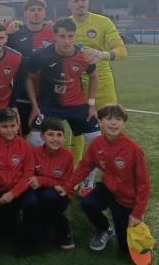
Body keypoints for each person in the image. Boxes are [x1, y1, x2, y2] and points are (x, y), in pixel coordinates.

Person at [61, 104, 150, 256]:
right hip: (108, 188)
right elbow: (84, 167)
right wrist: (67, 187)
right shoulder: (97, 144)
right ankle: (105, 228)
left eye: (118, 119)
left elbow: (143, 183)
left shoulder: (133, 149)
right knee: (87, 203)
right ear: (100, 122)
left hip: (127, 198)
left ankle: (136, 217)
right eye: (108, 119)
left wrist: (136, 212)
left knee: (125, 249)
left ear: (124, 123)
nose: (113, 123)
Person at [26, 18, 102, 195]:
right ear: (54, 36)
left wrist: (91, 105)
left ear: (74, 36)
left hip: (77, 105)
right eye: (62, 36)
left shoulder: (84, 55)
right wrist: (35, 106)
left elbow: (94, 76)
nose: (66, 41)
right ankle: (40, 176)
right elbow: (29, 78)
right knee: (36, 140)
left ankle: (88, 180)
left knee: (97, 141)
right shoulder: (40, 55)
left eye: (70, 36)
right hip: (49, 105)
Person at [67, 0, 128, 167]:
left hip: (102, 84)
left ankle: (114, 167)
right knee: (77, 131)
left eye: (83, 0)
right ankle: (75, 169)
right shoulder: (66, 24)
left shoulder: (103, 22)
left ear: (88, 2)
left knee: (111, 126)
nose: (80, 4)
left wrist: (102, 55)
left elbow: (122, 51)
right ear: (69, 5)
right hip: (76, 86)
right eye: (76, 1)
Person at [0, 108, 38, 237]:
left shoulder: (25, 146)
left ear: (18, 126)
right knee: (5, 231)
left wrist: (13, 193)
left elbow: (28, 175)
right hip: (0, 192)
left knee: (33, 203)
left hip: (20, 190)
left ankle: (28, 230)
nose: (9, 130)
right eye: (5, 126)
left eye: (13, 126)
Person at [8, 0, 55, 135]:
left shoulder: (53, 33)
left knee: (42, 136)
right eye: (32, 10)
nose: (36, 13)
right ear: (25, 13)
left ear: (45, 13)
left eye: (39, 10)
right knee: (19, 135)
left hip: (45, 94)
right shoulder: (15, 34)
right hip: (20, 92)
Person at [27, 117, 75, 250]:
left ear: (64, 136)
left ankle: (64, 230)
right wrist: (38, 181)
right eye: (50, 134)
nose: (55, 139)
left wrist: (43, 180)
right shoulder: (34, 153)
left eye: (59, 135)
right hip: (37, 190)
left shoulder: (68, 156)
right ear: (42, 136)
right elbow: (30, 177)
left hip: (59, 194)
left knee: (50, 196)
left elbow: (65, 184)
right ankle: (35, 226)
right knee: (30, 202)